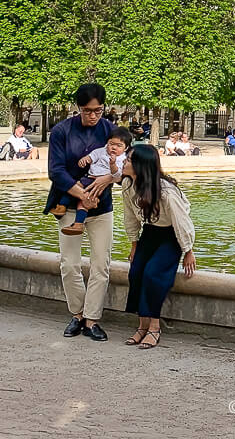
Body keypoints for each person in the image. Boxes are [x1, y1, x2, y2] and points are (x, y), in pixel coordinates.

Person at [43, 83, 117, 341]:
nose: (93, 115)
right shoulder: (62, 130)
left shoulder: (110, 130)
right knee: (69, 264)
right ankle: (77, 314)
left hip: (102, 205)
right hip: (69, 203)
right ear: (78, 108)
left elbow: (126, 162)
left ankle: (92, 319)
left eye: (98, 110)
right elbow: (56, 170)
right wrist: (81, 193)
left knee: (101, 264)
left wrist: (108, 178)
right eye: (87, 110)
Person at [122, 144, 196, 349]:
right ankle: (142, 325)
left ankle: (154, 327)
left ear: (140, 166)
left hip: (170, 235)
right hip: (150, 233)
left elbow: (182, 221)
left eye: (128, 160)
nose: (124, 162)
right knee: (136, 272)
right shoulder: (128, 185)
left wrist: (188, 250)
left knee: (153, 274)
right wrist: (134, 243)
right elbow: (130, 217)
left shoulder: (166, 192)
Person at [56, 127, 133, 235]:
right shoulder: (101, 151)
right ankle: (61, 207)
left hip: (101, 184)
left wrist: (112, 165)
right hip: (89, 177)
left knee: (84, 201)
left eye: (119, 145)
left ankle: (78, 223)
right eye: (111, 144)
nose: (114, 148)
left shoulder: (122, 159)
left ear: (126, 148)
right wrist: (85, 160)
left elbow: (118, 174)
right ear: (107, 142)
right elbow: (92, 156)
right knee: (73, 187)